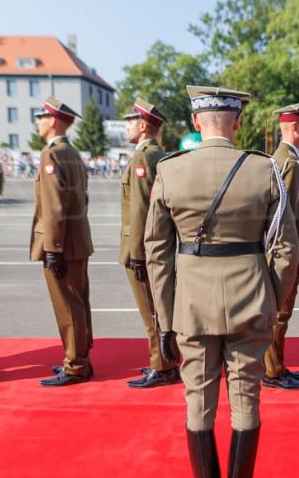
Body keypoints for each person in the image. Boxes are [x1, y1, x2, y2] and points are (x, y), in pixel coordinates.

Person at [146, 85, 298, 477]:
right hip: (251, 298)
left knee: (197, 400)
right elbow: (285, 250)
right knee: (247, 399)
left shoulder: (170, 169)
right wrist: (273, 302)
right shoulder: (264, 168)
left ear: (196, 121)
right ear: (238, 121)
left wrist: (165, 318)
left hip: (192, 306)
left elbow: (157, 253)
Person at [30, 97, 95, 386]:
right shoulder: (72, 152)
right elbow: (81, 198)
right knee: (78, 302)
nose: (38, 121)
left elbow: (55, 205)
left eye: (40, 116)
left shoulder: (52, 154)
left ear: (53, 121)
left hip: (62, 243)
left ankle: (75, 365)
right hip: (77, 240)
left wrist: (53, 247)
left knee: (68, 305)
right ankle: (80, 357)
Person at [119, 99, 180, 388]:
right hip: (156, 245)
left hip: (144, 247)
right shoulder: (158, 155)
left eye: (130, 121)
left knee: (152, 310)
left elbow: (142, 209)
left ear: (143, 126)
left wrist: (137, 254)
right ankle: (163, 360)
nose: (127, 126)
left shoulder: (144, 158)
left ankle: (163, 365)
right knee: (158, 306)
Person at [263, 102, 299, 391]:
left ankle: (277, 365)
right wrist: (291, 258)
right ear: (295, 127)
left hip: (284, 251)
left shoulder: (283, 158)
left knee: (280, 314)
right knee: (280, 314)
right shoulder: (289, 162)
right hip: (286, 252)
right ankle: (272, 371)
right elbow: (287, 215)